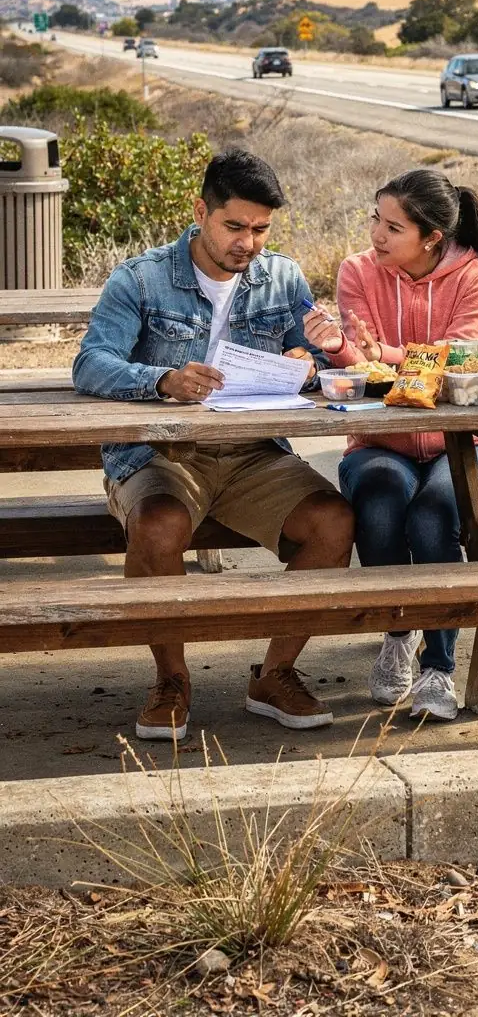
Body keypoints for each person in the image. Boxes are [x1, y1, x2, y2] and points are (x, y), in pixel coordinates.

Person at [73, 148, 354, 741]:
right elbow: (90, 363)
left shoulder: (283, 276)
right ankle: (171, 680)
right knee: (157, 526)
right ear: (201, 211)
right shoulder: (140, 278)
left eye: (260, 229)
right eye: (234, 226)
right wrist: (160, 380)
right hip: (162, 452)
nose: (248, 243)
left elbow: (313, 355)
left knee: (332, 522)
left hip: (253, 452)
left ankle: (276, 672)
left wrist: (311, 355)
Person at [304, 169, 478, 722]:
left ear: (432, 237)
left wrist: (387, 352)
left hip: (465, 441)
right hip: (380, 437)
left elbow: (461, 357)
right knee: (380, 500)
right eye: (376, 218)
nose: (377, 234)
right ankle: (398, 634)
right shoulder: (356, 273)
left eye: (393, 227)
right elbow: (358, 363)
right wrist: (339, 345)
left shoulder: (476, 275)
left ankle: (439, 666)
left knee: (435, 513)